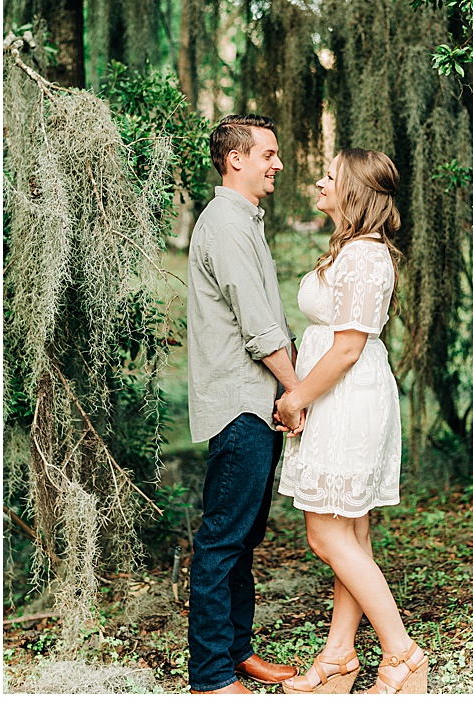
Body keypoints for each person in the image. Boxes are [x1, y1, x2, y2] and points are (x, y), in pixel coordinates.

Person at [275, 148, 427, 695]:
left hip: (346, 397)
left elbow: (346, 349)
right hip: (338, 395)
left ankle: (403, 657)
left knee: (326, 532)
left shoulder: (365, 257)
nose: (318, 182)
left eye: (330, 177)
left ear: (355, 192)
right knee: (351, 532)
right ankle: (339, 658)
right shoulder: (352, 250)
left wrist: (296, 399)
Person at [187, 114, 300, 694]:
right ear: (236, 159)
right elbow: (257, 325)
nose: (277, 164)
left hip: (255, 401)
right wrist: (295, 389)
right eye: (268, 154)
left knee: (243, 537)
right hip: (241, 406)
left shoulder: (242, 221)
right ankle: (210, 677)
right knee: (222, 540)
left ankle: (238, 653)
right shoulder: (226, 224)